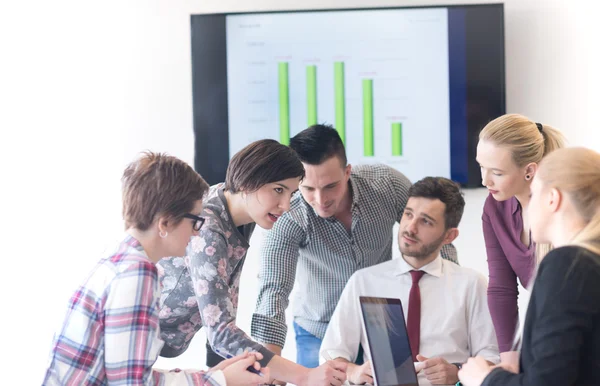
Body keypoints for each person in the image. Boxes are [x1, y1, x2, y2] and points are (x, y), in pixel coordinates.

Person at [43, 151, 269, 385]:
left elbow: (129, 374)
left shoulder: (120, 258)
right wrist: (219, 381)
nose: (197, 231)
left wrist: (214, 376)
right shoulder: (138, 273)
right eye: (195, 221)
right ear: (165, 223)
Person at [251, 124, 458, 368]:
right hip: (319, 327)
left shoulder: (386, 185)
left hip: (383, 321)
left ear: (347, 172)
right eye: (308, 188)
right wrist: (269, 364)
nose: (321, 200)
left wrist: (449, 301)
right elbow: (273, 289)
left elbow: (433, 236)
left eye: (330, 186)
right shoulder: (289, 214)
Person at [158, 139, 346, 386]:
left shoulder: (239, 212)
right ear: (247, 182)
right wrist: (304, 375)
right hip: (144, 337)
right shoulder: (208, 229)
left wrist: (228, 372)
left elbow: (224, 305)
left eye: (292, 193)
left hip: (164, 340)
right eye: (279, 190)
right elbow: (222, 333)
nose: (286, 206)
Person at [320, 177, 499, 386]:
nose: (410, 228)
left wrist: (457, 372)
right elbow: (331, 354)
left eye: (426, 221)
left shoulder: (471, 284)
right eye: (408, 214)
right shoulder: (364, 281)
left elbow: (493, 356)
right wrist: (354, 371)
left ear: (449, 236)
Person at [459, 147, 600, 385]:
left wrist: (486, 378)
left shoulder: (568, 265)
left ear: (553, 199)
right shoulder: (587, 264)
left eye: (533, 195)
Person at [476, 114, 565, 361]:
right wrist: (509, 360)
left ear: (529, 171)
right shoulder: (494, 209)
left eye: (496, 172)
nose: (485, 180)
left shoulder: (563, 209)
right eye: (481, 166)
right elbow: (501, 289)